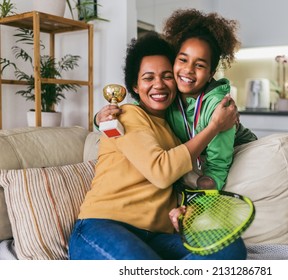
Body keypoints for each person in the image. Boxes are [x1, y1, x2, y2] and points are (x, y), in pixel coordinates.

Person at [68, 32, 246, 260]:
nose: (158, 85)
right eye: (148, 78)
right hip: (102, 227)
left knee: (229, 246)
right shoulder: (128, 115)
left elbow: (179, 177)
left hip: (155, 236)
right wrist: (214, 127)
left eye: (166, 76)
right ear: (134, 84)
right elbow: (162, 171)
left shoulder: (175, 128)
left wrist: (185, 210)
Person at [95, 9, 257, 190]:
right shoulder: (171, 97)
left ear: (211, 73)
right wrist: (101, 119)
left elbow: (218, 163)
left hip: (236, 153)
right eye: (183, 60)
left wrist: (209, 182)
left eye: (200, 65)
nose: (188, 70)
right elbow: (140, 115)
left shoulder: (217, 106)